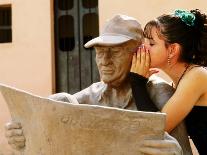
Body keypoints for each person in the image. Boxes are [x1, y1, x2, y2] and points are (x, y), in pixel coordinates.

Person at [5, 14, 184, 155]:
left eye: (114, 52)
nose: (104, 61)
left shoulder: (160, 93)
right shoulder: (87, 97)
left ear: (139, 55)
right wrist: (23, 135)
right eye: (99, 52)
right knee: (60, 100)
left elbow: (183, 151)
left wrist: (175, 152)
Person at [130, 9, 207, 154]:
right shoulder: (180, 82)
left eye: (151, 44)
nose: (143, 48)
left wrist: (137, 82)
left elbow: (158, 129)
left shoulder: (197, 76)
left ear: (172, 50)